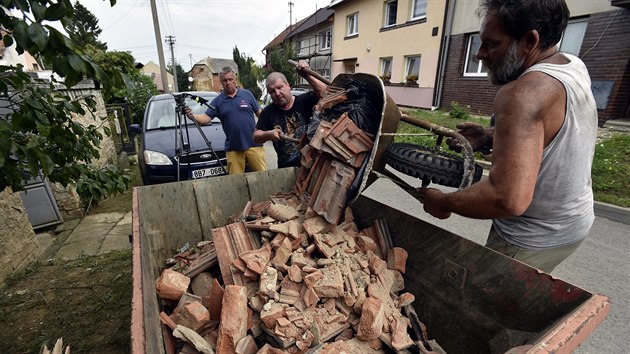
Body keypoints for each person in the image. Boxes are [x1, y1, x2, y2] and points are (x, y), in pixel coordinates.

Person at [419, 0, 598, 273]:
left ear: (529, 40)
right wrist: (491, 135)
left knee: (483, 304)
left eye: (491, 44)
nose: (479, 55)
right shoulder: (571, 64)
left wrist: (443, 202)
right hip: (574, 221)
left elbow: (506, 198)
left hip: (532, 236)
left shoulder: (523, 94)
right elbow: (553, 129)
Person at [185, 66, 265, 174]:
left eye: (230, 79)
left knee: (263, 176)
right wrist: (193, 116)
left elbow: (260, 114)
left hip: (254, 145)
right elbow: (205, 119)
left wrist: (268, 126)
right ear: (221, 82)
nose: (228, 83)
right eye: (224, 80)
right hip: (233, 149)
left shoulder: (247, 95)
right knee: (235, 183)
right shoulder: (218, 101)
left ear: (235, 79)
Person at [253, 61, 327, 168]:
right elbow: (255, 136)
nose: (277, 93)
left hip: (311, 165)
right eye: (272, 91)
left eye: (280, 87)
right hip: (286, 169)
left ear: (288, 85)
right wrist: (269, 134)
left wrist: (307, 75)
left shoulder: (304, 100)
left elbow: (325, 93)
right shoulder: (268, 112)